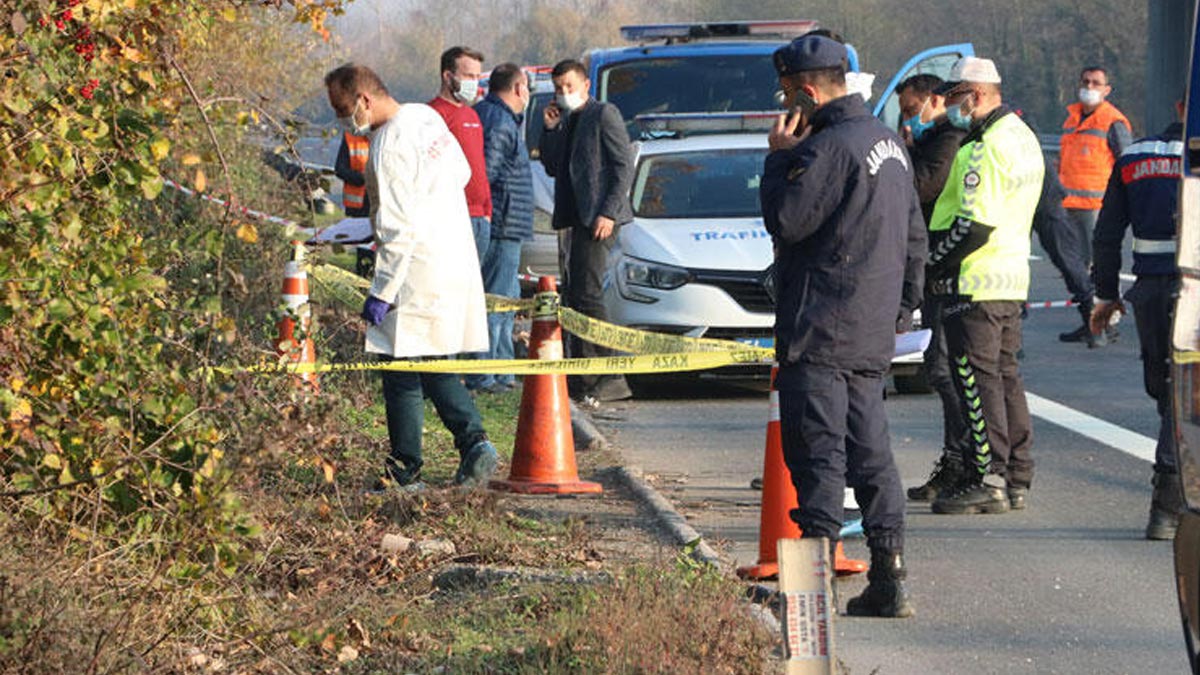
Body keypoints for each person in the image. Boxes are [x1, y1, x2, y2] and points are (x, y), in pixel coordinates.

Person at [761, 35, 926, 618]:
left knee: (818, 458)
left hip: (820, 326)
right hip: (871, 327)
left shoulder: (825, 148)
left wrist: (779, 157)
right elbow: (914, 239)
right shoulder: (888, 143)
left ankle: (811, 591)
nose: (785, 105)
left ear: (807, 89)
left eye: (786, 93)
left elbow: (787, 220)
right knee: (872, 455)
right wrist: (900, 310)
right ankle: (889, 577)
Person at [323, 63, 498, 490]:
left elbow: (397, 232)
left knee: (400, 367)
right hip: (450, 254)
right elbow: (462, 174)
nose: (343, 121)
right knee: (433, 360)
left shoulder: (386, 148)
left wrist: (380, 293)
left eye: (343, 110)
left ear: (364, 100)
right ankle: (474, 444)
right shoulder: (425, 116)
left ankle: (404, 467)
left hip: (415, 270)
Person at [924, 57, 1044, 515]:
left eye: (953, 97)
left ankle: (987, 475)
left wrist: (933, 264)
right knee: (1005, 377)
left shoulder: (983, 147)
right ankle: (1016, 474)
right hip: (1010, 278)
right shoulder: (1023, 136)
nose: (949, 107)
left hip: (974, 279)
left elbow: (974, 225)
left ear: (975, 95)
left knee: (975, 381)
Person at [1090, 100, 1185, 540]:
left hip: (1149, 292)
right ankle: (1167, 503)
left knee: (1167, 391)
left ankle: (1171, 501)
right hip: (1196, 294)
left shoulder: (1135, 155)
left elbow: (1107, 233)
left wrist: (1106, 296)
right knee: (1181, 400)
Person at [893, 74, 972, 503]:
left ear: (934, 100)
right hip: (932, 266)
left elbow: (923, 186)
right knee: (939, 368)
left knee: (945, 370)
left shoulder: (949, 139)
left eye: (911, 109)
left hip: (949, 266)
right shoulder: (932, 139)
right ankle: (956, 460)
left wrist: (902, 152)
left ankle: (964, 464)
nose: (908, 119)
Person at [539, 59, 635, 406]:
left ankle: (612, 375)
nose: (564, 93)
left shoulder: (603, 114)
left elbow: (623, 167)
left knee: (589, 295)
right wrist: (549, 130)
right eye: (558, 88)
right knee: (575, 297)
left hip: (598, 218)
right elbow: (552, 166)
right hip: (574, 218)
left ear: (585, 87)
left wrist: (608, 212)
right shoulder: (566, 120)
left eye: (569, 86)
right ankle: (583, 375)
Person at [468, 63, 535, 394]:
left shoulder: (500, 118)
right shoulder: (498, 122)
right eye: (527, 89)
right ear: (519, 88)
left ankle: (503, 371)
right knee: (494, 301)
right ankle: (485, 374)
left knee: (507, 298)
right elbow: (486, 177)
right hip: (501, 223)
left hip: (509, 222)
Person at [1058, 66, 1132, 345]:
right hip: (1070, 204)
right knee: (1077, 269)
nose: (1089, 86)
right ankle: (1088, 322)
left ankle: (1103, 328)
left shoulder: (1112, 122)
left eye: (1096, 83)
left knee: (1098, 270)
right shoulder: (1072, 118)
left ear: (1106, 89)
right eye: (1086, 81)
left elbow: (1125, 163)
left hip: (1097, 206)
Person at [428, 46, 493, 265]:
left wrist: (487, 210)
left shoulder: (472, 114)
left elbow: (480, 166)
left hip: (480, 218)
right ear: (448, 76)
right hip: (451, 216)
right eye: (468, 76)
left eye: (477, 76)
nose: (474, 82)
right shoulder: (432, 115)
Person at [334, 131, 370, 217]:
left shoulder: (388, 136)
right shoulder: (350, 137)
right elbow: (340, 169)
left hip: (383, 205)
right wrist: (362, 178)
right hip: (358, 207)